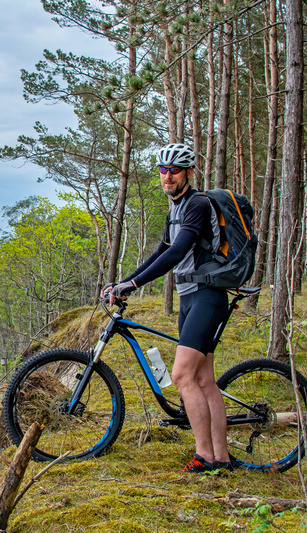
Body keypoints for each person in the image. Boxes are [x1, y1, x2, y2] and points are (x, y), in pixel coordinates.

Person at [102, 143, 232, 473]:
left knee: (182, 375)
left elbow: (177, 253)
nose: (167, 176)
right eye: (162, 170)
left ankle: (204, 456)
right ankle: (222, 458)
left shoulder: (197, 205)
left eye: (174, 170)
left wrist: (132, 285)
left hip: (207, 296)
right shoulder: (174, 210)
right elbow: (161, 250)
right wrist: (123, 281)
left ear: (188, 172)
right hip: (190, 298)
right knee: (204, 380)